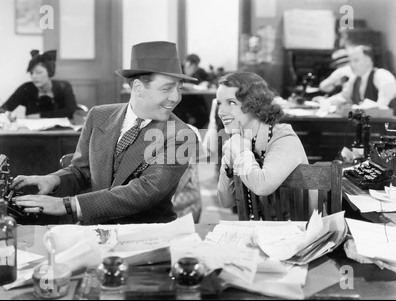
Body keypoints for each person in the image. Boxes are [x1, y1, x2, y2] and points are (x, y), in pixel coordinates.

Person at [10, 41, 198, 225]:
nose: (176, 97)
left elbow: (146, 191)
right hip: (95, 229)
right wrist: (53, 179)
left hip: (145, 235)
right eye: (167, 89)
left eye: (179, 87)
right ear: (138, 88)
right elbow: (81, 170)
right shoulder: (98, 115)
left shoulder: (181, 134)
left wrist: (68, 204)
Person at [216, 72, 308, 216]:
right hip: (259, 230)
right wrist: (227, 164)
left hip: (298, 230)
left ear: (253, 103)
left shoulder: (284, 137)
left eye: (231, 103)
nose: (221, 112)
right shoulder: (237, 139)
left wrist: (240, 153)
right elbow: (226, 201)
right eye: (219, 104)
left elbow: (262, 186)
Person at [0, 50, 78, 121]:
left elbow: (71, 111)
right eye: (31, 73)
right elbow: (3, 109)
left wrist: (41, 115)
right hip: (33, 134)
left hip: (62, 133)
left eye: (39, 72)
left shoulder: (63, 87)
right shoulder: (26, 88)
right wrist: (8, 115)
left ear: (49, 72)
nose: (34, 76)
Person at [326, 45, 396, 110]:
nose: (352, 65)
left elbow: (382, 107)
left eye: (356, 60)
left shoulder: (380, 74)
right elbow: (344, 97)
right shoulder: (354, 79)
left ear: (368, 61)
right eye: (350, 61)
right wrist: (326, 101)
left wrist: (380, 105)